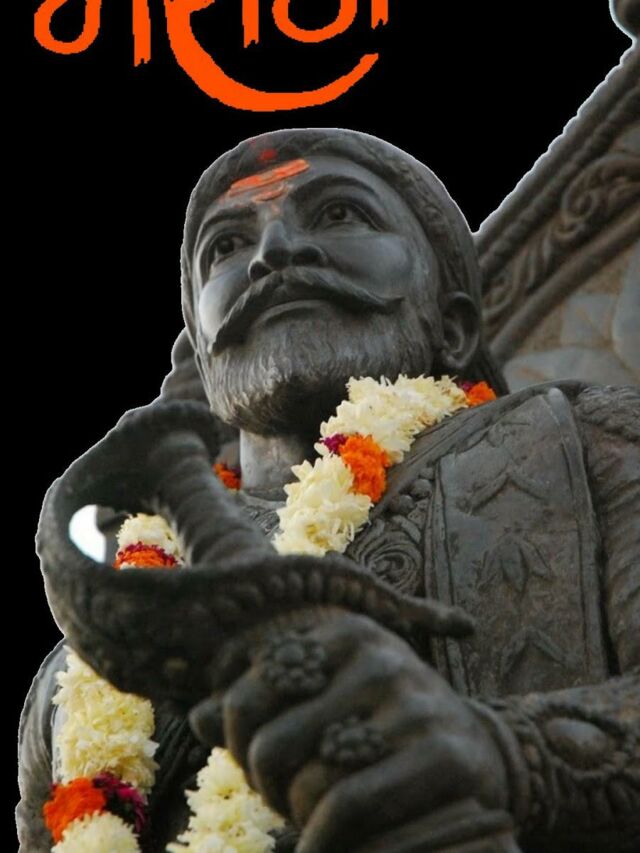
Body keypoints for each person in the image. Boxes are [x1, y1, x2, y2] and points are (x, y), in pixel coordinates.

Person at [18, 129, 639, 852]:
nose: (275, 251)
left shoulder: (587, 439)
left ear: (455, 325)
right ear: (208, 367)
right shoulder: (86, 671)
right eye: (226, 245)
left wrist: (509, 754)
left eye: (341, 213)